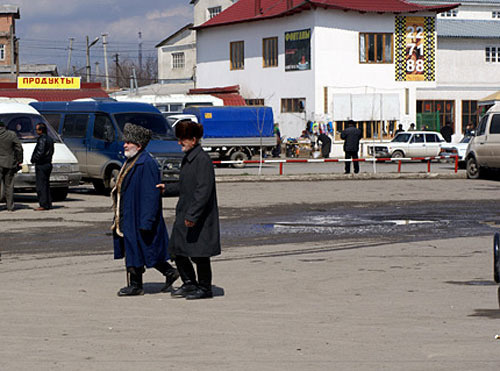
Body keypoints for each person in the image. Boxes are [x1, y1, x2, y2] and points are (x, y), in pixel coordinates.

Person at [111, 123, 179, 296]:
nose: (124, 145)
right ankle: (167, 273)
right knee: (136, 249)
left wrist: (147, 219)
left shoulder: (146, 163)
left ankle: (137, 285)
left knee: (143, 249)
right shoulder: (131, 161)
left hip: (139, 215)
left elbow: (151, 195)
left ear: (139, 145)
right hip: (129, 213)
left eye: (128, 142)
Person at [158, 120, 221, 300]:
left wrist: (193, 215)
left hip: (199, 216)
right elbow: (185, 186)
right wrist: (167, 188)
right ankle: (189, 283)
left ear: (193, 140)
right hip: (185, 213)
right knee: (177, 250)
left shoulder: (202, 160)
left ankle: (204, 287)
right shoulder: (189, 158)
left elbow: (203, 190)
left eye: (182, 139)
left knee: (200, 254)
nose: (179, 143)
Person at [0, 120, 23, 211]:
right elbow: (19, 148)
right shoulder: (11, 134)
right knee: (9, 185)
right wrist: (19, 160)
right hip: (9, 163)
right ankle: (10, 206)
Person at [31, 123, 54, 211]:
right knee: (46, 184)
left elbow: (40, 152)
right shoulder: (50, 139)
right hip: (48, 163)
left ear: (41, 130)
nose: (36, 131)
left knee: (41, 185)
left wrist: (33, 159)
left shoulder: (42, 139)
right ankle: (48, 203)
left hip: (42, 164)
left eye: (37, 130)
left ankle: (43, 204)